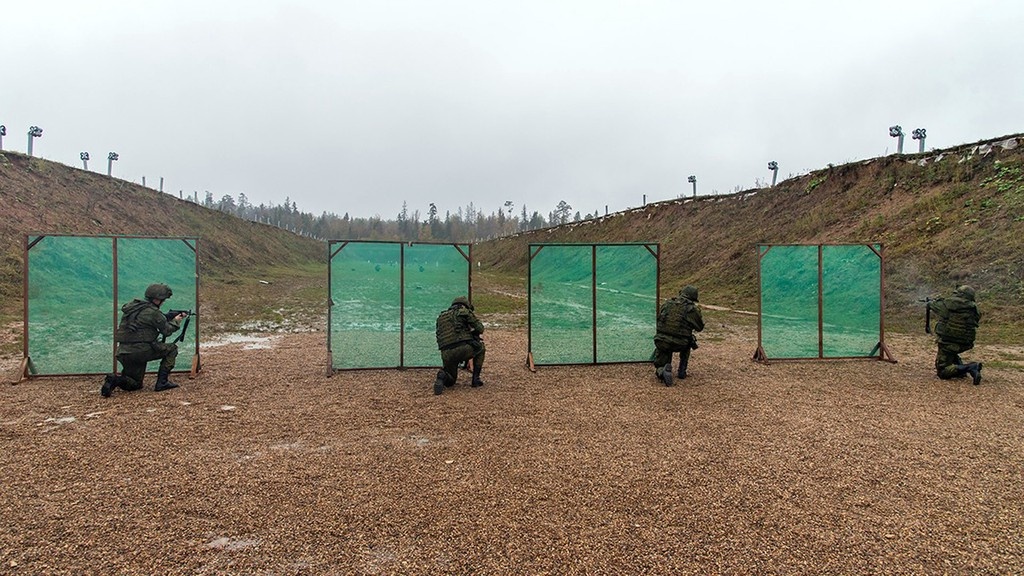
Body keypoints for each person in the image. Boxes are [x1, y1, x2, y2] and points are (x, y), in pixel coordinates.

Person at [101, 283, 187, 397]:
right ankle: (162, 383)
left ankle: (115, 380)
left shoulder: (133, 308)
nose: (163, 302)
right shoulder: (153, 312)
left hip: (124, 351)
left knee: (135, 384)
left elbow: (146, 320)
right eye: (163, 300)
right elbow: (166, 331)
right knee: (172, 349)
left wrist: (165, 317)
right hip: (141, 351)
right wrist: (176, 320)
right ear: (157, 299)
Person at [929, 285, 982, 385]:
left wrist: (932, 301)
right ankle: (960, 370)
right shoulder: (974, 308)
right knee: (951, 351)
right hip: (966, 343)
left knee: (942, 371)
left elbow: (934, 305)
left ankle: (970, 367)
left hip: (948, 342)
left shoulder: (947, 304)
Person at [653, 285, 704, 386]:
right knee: (689, 340)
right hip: (680, 343)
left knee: (663, 349)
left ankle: (662, 370)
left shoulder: (667, 304)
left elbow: (659, 319)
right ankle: (682, 371)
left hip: (661, 340)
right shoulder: (691, 309)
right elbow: (699, 327)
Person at [433, 296, 485, 395]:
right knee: (481, 348)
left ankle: (442, 376)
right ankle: (476, 379)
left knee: (451, 381)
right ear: (465, 305)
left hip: (446, 353)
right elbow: (480, 328)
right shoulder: (465, 312)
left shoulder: (442, 317)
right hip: (463, 348)